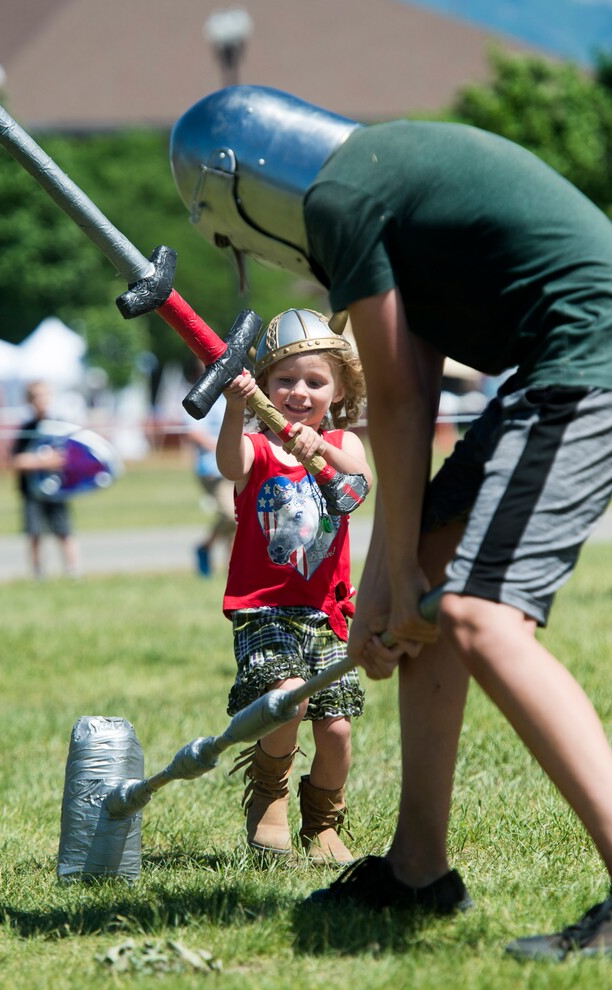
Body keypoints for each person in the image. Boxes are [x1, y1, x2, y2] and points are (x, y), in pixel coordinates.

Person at [171, 86, 612, 958]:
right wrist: (389, 580)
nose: (246, 246)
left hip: (585, 357)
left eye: (230, 229)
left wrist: (390, 578)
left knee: (480, 617)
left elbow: (402, 399)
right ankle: (418, 871)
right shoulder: (371, 177)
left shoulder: (341, 199)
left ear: (237, 181)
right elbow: (411, 381)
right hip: (550, 362)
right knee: (436, 563)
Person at [218, 307, 372, 865]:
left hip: (326, 612)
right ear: (265, 385)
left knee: (336, 731)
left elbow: (359, 483)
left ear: (337, 389)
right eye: (284, 380)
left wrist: (321, 449)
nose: (298, 392)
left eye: (314, 381)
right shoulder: (260, 449)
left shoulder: (341, 441)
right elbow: (228, 463)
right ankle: (269, 797)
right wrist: (236, 413)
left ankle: (324, 823)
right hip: (265, 610)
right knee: (285, 701)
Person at [11, 380, 79, 580]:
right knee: (34, 533)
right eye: (37, 397)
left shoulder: (59, 426)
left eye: (45, 396)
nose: (42, 401)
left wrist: (52, 461)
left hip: (57, 489)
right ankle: (37, 573)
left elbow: (69, 457)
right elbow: (18, 460)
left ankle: (73, 570)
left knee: (64, 531)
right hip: (32, 491)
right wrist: (43, 461)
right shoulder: (27, 429)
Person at [183, 360, 237, 576]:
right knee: (230, 515)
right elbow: (193, 432)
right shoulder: (199, 397)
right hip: (211, 468)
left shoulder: (229, 396)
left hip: (234, 465)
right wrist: (222, 447)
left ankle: (232, 568)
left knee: (237, 517)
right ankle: (205, 547)